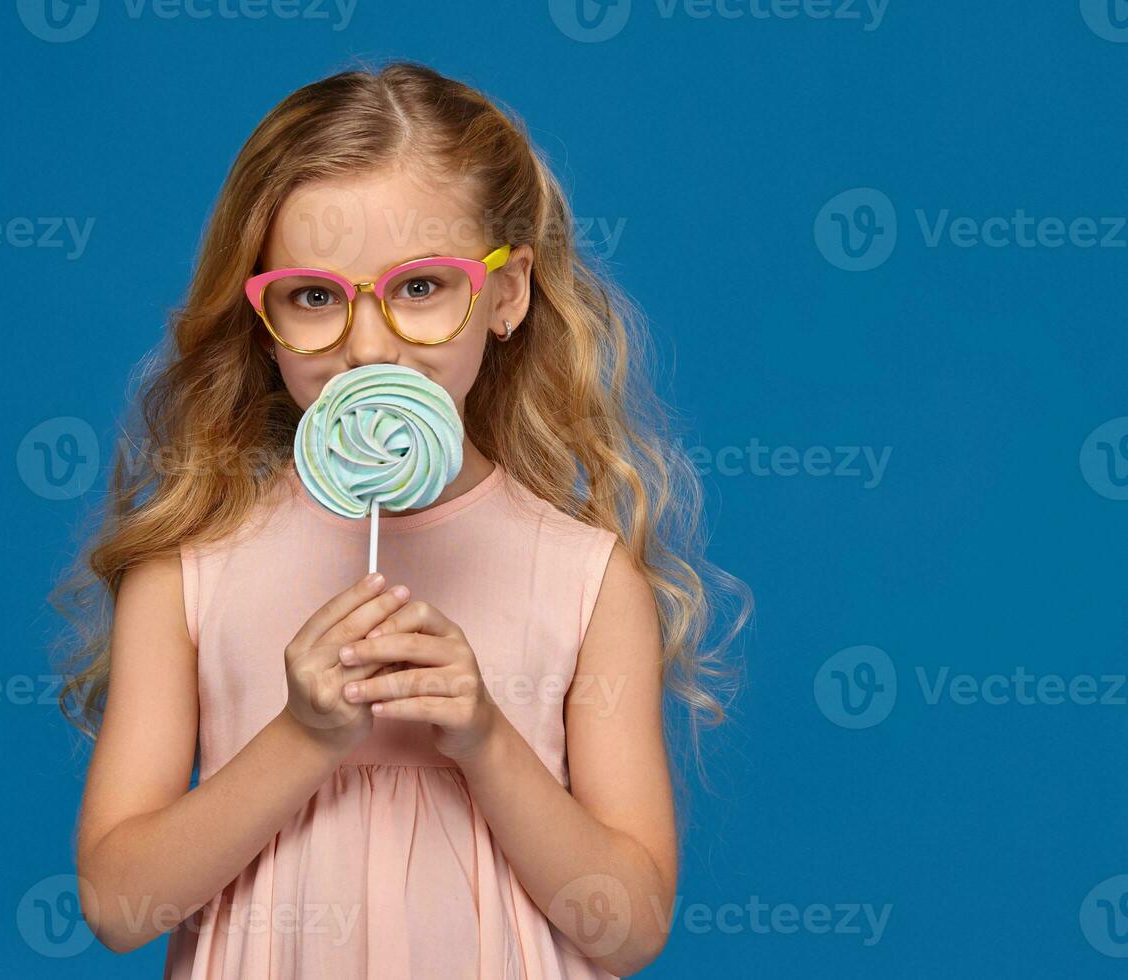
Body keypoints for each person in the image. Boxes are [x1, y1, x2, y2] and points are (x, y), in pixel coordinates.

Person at [54, 59, 748, 978]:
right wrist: (301, 736)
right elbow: (116, 904)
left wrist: (486, 739)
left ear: (506, 294)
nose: (369, 343)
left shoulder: (586, 581)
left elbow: (629, 931)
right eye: (313, 296)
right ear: (262, 316)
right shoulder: (187, 575)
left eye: (421, 288)